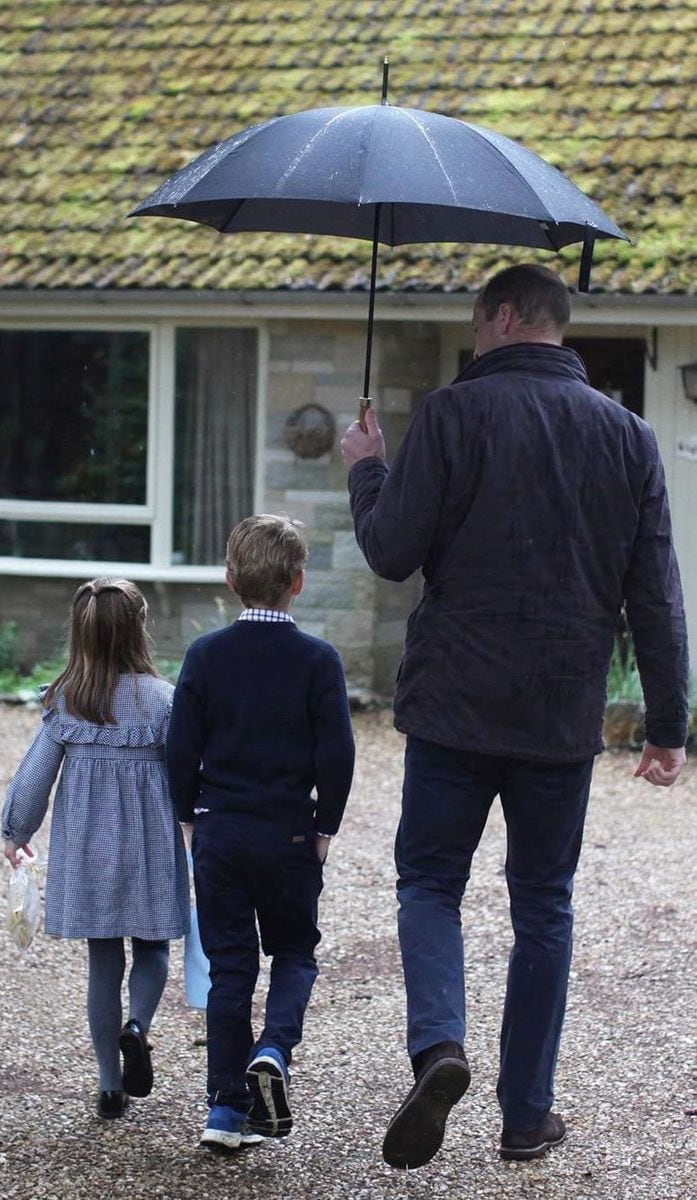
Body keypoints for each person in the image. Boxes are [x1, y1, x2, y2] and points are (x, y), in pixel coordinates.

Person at [340, 264, 689, 1169]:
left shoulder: (452, 415)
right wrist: (665, 724)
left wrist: (367, 468)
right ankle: (526, 1116)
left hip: (453, 706)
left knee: (427, 883)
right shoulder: (627, 435)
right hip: (558, 712)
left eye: (476, 324)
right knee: (542, 906)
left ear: (501, 317)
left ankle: (440, 1047)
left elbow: (389, 551)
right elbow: (654, 591)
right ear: (556, 327)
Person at [166, 514, 355, 1151]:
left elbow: (180, 748)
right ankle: (274, 1046)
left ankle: (224, 1110)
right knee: (296, 950)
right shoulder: (317, 661)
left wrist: (189, 817)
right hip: (288, 835)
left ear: (230, 579)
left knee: (230, 968)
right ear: (298, 583)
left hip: (220, 831)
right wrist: (325, 825)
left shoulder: (205, 655)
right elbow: (338, 755)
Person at [1, 578, 190, 1119]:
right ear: (139, 628)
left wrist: (17, 832)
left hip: (89, 847)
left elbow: (36, 775)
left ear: (80, 634)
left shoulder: (66, 702)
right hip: (150, 844)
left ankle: (110, 1086)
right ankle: (139, 1027)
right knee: (153, 948)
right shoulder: (165, 701)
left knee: (103, 961)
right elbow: (186, 774)